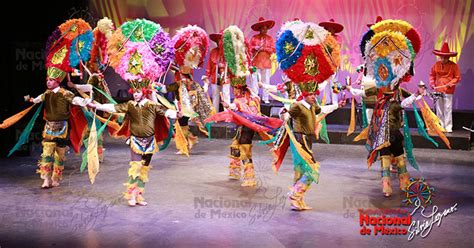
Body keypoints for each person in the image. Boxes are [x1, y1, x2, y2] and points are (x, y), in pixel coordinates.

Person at [90, 81, 179, 206]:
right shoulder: (130, 105)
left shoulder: (152, 105)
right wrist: (97, 106)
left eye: (138, 92)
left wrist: (176, 114)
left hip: (150, 142)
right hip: (135, 141)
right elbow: (114, 108)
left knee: (144, 169)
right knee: (135, 167)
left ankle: (139, 195)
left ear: (144, 92)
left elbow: (165, 112)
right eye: (134, 92)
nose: (135, 95)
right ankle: (131, 195)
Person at [30, 68, 90, 188]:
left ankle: (56, 177)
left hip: (62, 127)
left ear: (57, 81)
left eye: (51, 80)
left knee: (59, 154)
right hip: (49, 127)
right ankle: (46, 178)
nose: (48, 82)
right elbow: (36, 99)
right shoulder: (46, 94)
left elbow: (75, 100)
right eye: (48, 80)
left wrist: (85, 101)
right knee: (46, 153)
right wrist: (29, 99)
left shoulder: (65, 93)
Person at [429, 42, 461, 133]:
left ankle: (448, 127)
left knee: (447, 108)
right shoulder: (436, 65)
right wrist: (432, 84)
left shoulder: (454, 66)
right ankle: (441, 126)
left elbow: (457, 77)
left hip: (448, 90)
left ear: (448, 57)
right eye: (442, 57)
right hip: (438, 89)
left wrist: (451, 83)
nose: (443, 59)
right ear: (440, 57)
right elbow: (432, 75)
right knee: (439, 109)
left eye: (445, 57)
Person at [249, 17, 276, 103]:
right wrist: (254, 48)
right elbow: (249, 48)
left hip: (266, 62)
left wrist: (264, 49)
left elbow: (273, 49)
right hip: (256, 62)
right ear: (259, 28)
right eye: (263, 28)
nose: (265, 30)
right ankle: (255, 97)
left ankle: (265, 98)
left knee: (266, 81)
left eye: (266, 28)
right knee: (254, 80)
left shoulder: (270, 38)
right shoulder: (254, 38)